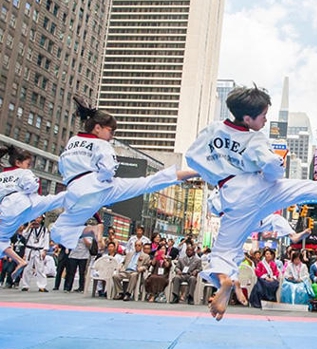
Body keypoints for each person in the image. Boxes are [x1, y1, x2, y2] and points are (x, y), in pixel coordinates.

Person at [185, 84, 317, 320]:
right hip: (259, 187)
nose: (265, 120)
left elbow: (192, 157)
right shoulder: (255, 139)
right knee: (307, 188)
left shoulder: (213, 129)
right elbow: (273, 169)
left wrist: (216, 175)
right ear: (247, 118)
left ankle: (224, 281)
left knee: (223, 251)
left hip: (231, 194)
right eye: (263, 116)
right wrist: (276, 169)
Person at [50, 96, 197, 252]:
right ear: (98, 128)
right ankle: (194, 172)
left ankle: (91, 230)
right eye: (111, 130)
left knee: (57, 232)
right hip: (98, 186)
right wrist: (102, 180)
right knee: (148, 183)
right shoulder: (102, 144)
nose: (112, 135)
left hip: (75, 192)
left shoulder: (73, 141)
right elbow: (108, 169)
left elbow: (62, 165)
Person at [0, 146, 65, 278]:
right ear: (18, 163)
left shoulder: (1, 176)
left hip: (8, 210)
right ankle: (77, 194)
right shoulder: (24, 173)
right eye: (28, 164)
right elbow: (33, 185)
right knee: (53, 200)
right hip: (28, 204)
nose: (28, 167)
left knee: (1, 239)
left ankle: (20, 261)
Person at [20, 216, 51, 292]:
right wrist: (29, 226)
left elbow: (46, 241)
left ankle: (42, 286)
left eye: (39, 218)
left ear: (42, 219)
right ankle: (25, 285)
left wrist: (45, 250)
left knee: (40, 268)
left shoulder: (44, 230)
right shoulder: (30, 228)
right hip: (30, 249)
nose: (37, 219)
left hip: (39, 250)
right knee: (27, 268)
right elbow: (24, 234)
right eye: (36, 218)